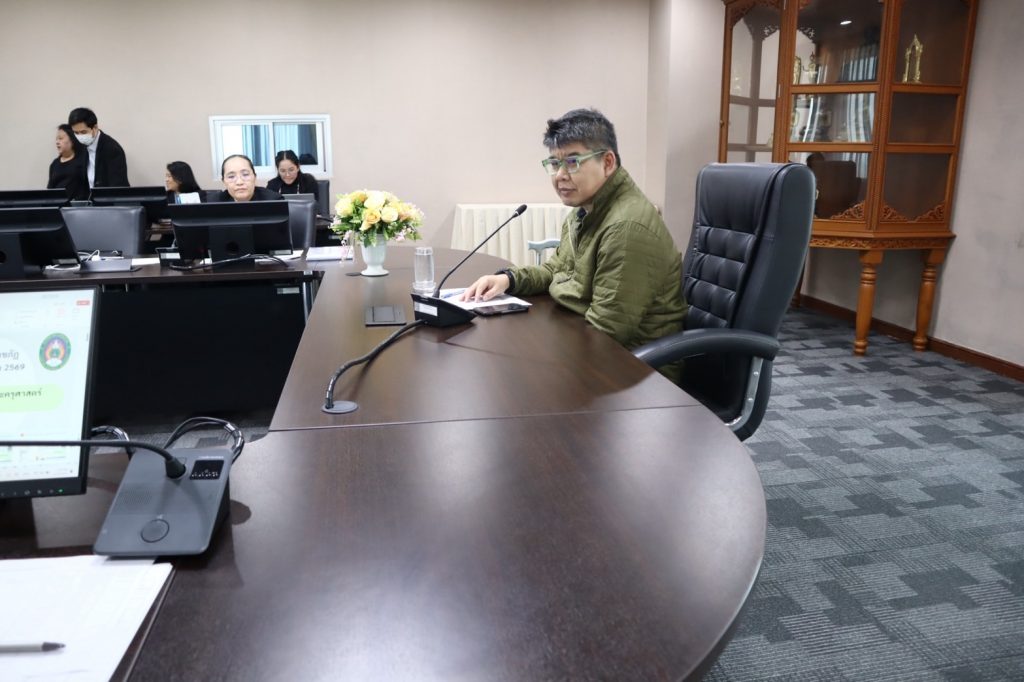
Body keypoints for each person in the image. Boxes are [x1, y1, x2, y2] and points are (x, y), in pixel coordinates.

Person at [462, 108, 686, 376]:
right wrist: (508, 279)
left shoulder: (625, 228)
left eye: (572, 162)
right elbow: (556, 269)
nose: (559, 175)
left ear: (607, 162)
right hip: (593, 348)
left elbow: (607, 332)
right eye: (554, 163)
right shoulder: (585, 211)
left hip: (638, 373)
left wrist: (541, 349)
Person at [67, 107, 129, 188]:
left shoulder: (112, 149)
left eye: (83, 132)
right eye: (76, 133)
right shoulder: (80, 146)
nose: (80, 136)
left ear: (95, 128)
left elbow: (118, 187)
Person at [47, 123, 90, 201]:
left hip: (77, 205)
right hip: (57, 205)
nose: (57, 142)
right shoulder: (55, 164)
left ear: (72, 140)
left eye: (60, 138)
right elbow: (50, 190)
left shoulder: (83, 160)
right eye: (57, 139)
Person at [212, 154, 282, 202]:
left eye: (245, 175)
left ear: (254, 177)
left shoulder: (273, 200)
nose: (239, 182)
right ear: (224, 181)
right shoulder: (214, 203)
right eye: (231, 177)